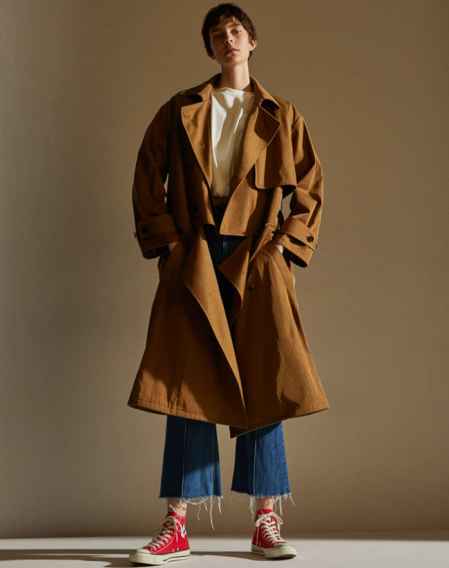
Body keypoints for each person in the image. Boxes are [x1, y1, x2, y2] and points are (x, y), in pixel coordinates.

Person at [129, 2, 326, 564]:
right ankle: (177, 524)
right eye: (217, 34)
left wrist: (283, 250)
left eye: (236, 30)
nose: (228, 39)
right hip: (195, 252)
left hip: (258, 255)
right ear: (210, 48)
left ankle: (266, 521)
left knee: (265, 377)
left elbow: (310, 189)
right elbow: (147, 177)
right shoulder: (180, 110)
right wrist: (170, 246)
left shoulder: (281, 114)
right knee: (185, 384)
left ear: (252, 41)